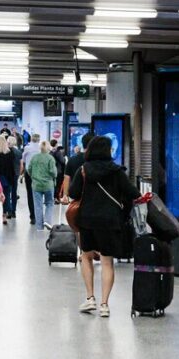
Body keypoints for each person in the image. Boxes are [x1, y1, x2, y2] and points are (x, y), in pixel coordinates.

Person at [68, 136, 140, 318]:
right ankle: (104, 304)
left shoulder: (83, 170)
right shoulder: (117, 171)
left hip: (87, 220)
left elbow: (73, 193)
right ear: (109, 151)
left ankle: (90, 297)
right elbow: (134, 194)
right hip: (110, 221)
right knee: (107, 262)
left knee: (86, 257)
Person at [28, 140, 58, 231]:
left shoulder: (34, 157)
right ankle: (47, 221)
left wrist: (34, 176)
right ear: (48, 147)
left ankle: (39, 227)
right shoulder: (50, 158)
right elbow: (53, 172)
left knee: (38, 205)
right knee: (49, 203)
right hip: (48, 185)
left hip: (36, 185)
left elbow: (29, 169)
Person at [61, 133, 95, 205]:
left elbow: (67, 178)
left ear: (82, 144)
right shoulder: (96, 160)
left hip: (76, 197)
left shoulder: (72, 159)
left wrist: (65, 195)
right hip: (93, 197)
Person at [0, 135, 16, 223]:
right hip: (7, 178)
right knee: (6, 197)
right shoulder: (10, 153)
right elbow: (12, 168)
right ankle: (4, 215)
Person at [20, 134, 42, 225]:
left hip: (29, 173)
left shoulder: (27, 148)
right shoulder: (41, 148)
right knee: (39, 194)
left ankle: (32, 216)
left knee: (30, 194)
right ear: (39, 140)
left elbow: (24, 160)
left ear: (31, 139)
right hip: (40, 173)